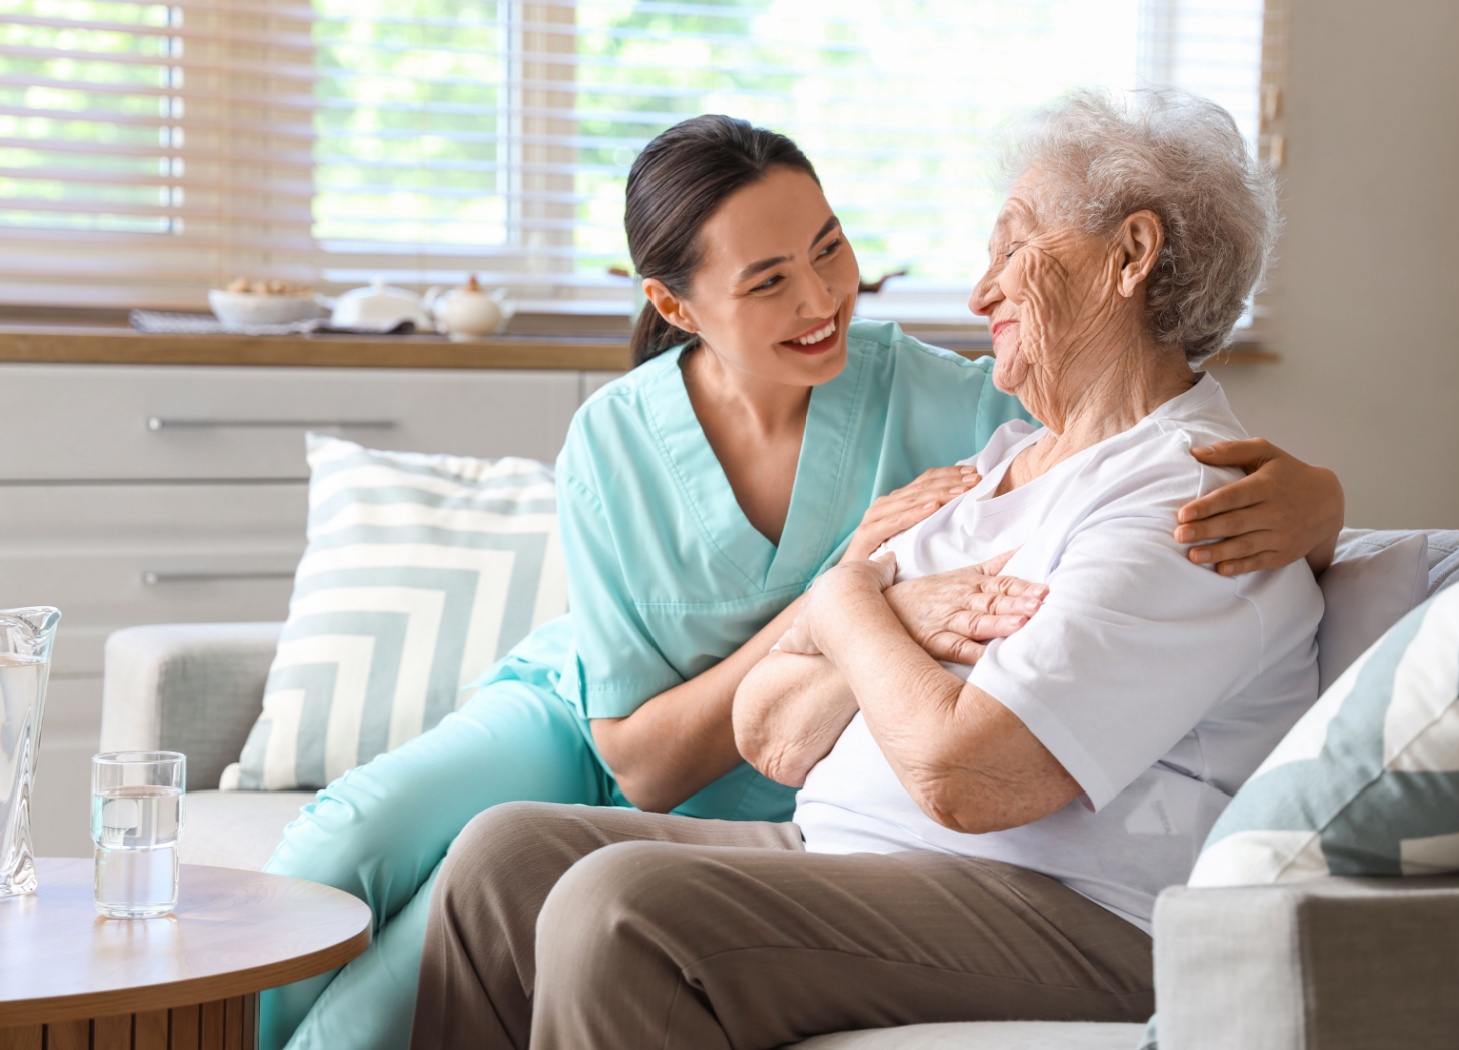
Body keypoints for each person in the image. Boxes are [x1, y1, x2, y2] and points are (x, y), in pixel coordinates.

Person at [263, 111, 1342, 1050]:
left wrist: (844, 605)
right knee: (496, 850)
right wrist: (873, 615)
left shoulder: (1169, 497)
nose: (974, 289)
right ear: (679, 307)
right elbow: (772, 732)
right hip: (644, 731)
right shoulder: (1005, 464)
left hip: (1064, 899)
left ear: (1130, 255)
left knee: (619, 903)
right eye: (768, 278)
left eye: (1012, 246)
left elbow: (961, 776)